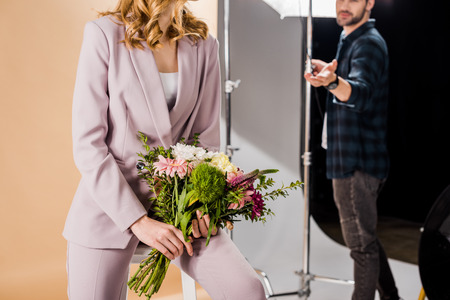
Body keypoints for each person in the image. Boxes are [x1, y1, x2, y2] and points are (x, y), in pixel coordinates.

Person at [62, 0, 266, 299]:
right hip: (110, 205)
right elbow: (88, 143)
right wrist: (137, 221)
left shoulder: (204, 44)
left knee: (248, 291)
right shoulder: (104, 34)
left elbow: (206, 140)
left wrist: (200, 203)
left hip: (181, 206)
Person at [304, 0, 402, 299]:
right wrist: (329, 73)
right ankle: (392, 297)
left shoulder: (368, 43)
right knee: (365, 238)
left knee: (361, 246)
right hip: (352, 158)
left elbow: (360, 92)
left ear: (370, 3)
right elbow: (350, 81)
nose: (344, 5)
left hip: (355, 163)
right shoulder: (351, 39)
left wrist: (333, 82)